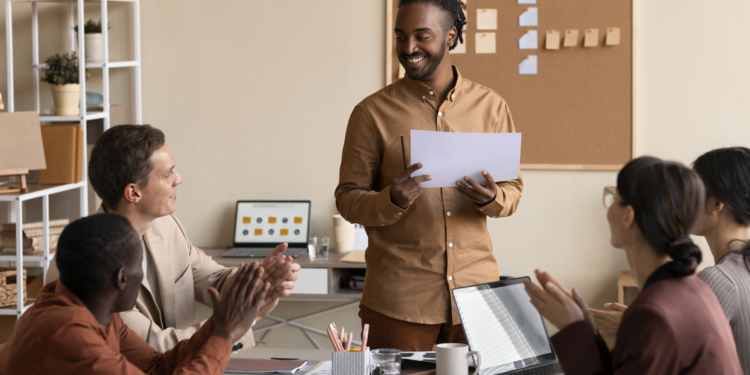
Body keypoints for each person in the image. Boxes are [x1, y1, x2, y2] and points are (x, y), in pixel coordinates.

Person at [334, 0, 523, 351]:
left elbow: (513, 190)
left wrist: (492, 198)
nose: (409, 48)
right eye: (401, 36)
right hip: (398, 301)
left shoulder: (491, 107)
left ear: (451, 36)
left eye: (423, 36)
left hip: (476, 296)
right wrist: (390, 199)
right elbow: (347, 198)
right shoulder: (371, 113)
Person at [81, 124, 301, 352]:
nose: (179, 179)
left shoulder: (165, 226)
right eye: (167, 174)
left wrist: (259, 280)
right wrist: (241, 321)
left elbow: (214, 279)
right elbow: (150, 348)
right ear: (133, 193)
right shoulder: (91, 268)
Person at [523, 156, 742, 374]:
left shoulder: (654, 314)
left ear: (628, 216)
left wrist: (572, 329)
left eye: (614, 199)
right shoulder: (693, 289)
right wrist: (585, 327)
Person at [0, 214, 270, 374]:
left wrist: (218, 325)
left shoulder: (96, 310)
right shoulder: (69, 335)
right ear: (123, 278)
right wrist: (224, 335)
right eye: (139, 266)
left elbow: (156, 367)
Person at [591, 147, 750, 374]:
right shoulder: (737, 270)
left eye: (694, 191)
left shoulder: (720, 280)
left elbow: (679, 343)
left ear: (716, 204)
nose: (683, 199)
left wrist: (637, 324)